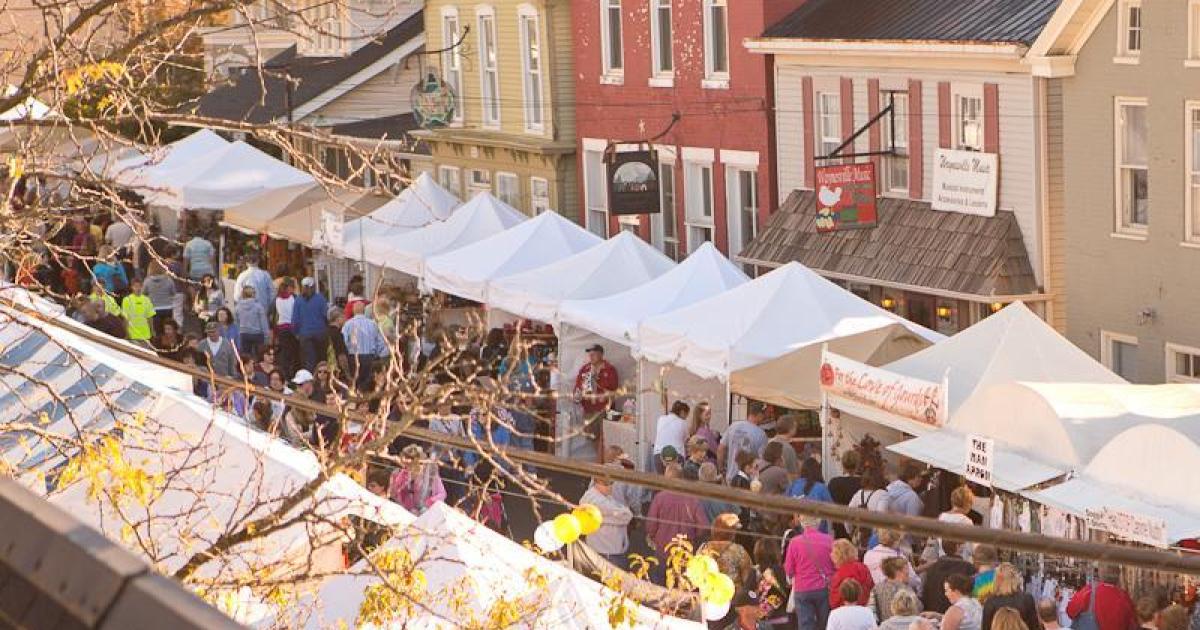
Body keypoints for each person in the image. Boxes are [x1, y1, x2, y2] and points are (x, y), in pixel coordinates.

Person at [645, 464, 708, 566]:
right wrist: (693, 536)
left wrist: (653, 537)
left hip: (663, 548)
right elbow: (703, 526)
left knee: (659, 579)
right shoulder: (693, 500)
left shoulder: (659, 498)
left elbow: (651, 525)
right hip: (685, 549)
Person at [784, 513, 834, 630]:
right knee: (825, 624)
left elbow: (789, 570)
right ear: (819, 521)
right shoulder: (829, 540)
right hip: (824, 588)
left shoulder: (795, 542)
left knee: (805, 625)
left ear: (802, 522)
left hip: (803, 589)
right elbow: (835, 564)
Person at [579, 475, 634, 569]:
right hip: (608, 551)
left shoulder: (598, 496)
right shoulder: (598, 501)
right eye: (608, 484)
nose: (611, 487)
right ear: (598, 482)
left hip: (599, 546)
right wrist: (625, 510)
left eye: (612, 483)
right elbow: (627, 516)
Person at [573, 343, 618, 451]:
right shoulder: (585, 369)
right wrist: (577, 394)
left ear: (601, 355)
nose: (591, 356)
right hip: (589, 410)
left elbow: (614, 391)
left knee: (605, 439)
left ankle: (602, 464)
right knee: (593, 438)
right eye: (590, 354)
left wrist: (596, 381)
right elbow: (577, 388)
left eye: (594, 354)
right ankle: (599, 464)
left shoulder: (610, 369)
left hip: (604, 410)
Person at [1066, 566, 1136, 630]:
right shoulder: (1125, 597)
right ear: (1118, 574)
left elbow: (1070, 611)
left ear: (1100, 572)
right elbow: (1133, 625)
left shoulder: (1089, 591)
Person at [923, 485, 977, 564]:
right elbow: (971, 548)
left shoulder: (941, 517)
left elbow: (935, 542)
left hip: (942, 560)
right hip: (962, 562)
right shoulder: (966, 521)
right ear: (967, 504)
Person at [343, 301, 389, 391]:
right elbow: (380, 341)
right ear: (364, 310)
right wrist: (380, 356)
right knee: (368, 383)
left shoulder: (348, 324)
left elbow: (344, 341)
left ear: (353, 311)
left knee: (355, 382)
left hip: (353, 357)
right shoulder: (373, 324)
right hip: (369, 357)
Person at [388, 444, 446, 515]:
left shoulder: (431, 474)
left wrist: (426, 505)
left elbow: (441, 494)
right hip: (405, 512)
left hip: (425, 512)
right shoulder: (402, 473)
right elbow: (394, 494)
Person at [698, 513, 754, 586]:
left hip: (708, 594)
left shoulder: (703, 548)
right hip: (733, 595)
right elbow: (748, 580)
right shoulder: (739, 551)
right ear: (732, 532)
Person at [720, 401, 769, 482]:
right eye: (763, 415)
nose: (764, 418)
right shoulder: (761, 435)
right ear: (759, 415)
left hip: (730, 477)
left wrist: (721, 470)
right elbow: (761, 460)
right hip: (747, 479)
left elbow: (720, 449)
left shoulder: (733, 426)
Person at [923, 539, 976, 614]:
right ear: (957, 547)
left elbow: (925, 592)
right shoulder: (968, 568)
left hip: (932, 612)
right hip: (957, 613)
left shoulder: (932, 568)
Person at [982, 564, 1041, 630]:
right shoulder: (1027, 599)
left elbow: (985, 627)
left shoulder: (990, 602)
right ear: (1015, 578)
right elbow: (1034, 626)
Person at [750, 539, 793, 630]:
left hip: (760, 620)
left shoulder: (754, 572)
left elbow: (748, 594)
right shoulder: (783, 571)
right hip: (781, 619)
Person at [848, 468, 890, 550]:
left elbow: (847, 516)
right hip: (875, 540)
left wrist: (850, 532)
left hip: (858, 538)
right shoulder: (883, 494)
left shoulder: (859, 493)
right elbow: (880, 518)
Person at [294, 277, 329, 372]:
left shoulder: (298, 300)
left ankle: (310, 380)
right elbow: (326, 315)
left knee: (308, 360)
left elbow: (295, 319)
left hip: (305, 334)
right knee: (321, 359)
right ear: (313, 286)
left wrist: (296, 333)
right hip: (320, 333)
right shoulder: (320, 299)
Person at [869, 557, 917, 622]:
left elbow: (872, 612)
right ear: (898, 572)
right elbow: (916, 610)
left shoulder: (876, 588)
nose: (909, 572)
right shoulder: (906, 590)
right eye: (906, 569)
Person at [828, 450, 863, 540]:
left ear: (842, 464)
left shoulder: (834, 483)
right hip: (859, 526)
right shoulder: (863, 483)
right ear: (857, 465)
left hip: (839, 525)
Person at [830, 538, 873, 609]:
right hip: (864, 607)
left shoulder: (840, 574)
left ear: (839, 555)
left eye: (833, 552)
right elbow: (871, 586)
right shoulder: (863, 567)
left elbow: (835, 601)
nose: (831, 555)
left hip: (845, 610)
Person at [652, 400, 690, 473]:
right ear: (682, 412)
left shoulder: (661, 419)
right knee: (675, 481)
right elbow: (687, 441)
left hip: (658, 455)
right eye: (686, 415)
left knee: (661, 482)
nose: (686, 418)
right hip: (676, 455)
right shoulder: (683, 423)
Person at [235, 285, 270, 358]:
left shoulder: (238, 307)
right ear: (253, 294)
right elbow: (263, 322)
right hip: (257, 334)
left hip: (244, 334)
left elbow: (237, 322)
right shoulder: (258, 306)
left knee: (246, 357)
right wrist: (266, 336)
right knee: (259, 356)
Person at [273, 277, 298, 377]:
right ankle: (291, 374)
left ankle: (285, 372)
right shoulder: (293, 298)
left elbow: (275, 315)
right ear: (290, 288)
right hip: (291, 327)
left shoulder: (277, 299)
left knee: (284, 352)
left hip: (281, 328)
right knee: (293, 352)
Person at [143, 262, 176, 334]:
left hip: (154, 308)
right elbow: (173, 292)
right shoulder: (169, 280)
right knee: (168, 329)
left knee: (157, 330)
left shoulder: (147, 281)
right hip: (168, 308)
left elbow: (143, 293)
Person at [120, 277, 155, 345]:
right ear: (132, 287)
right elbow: (125, 318)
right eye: (136, 286)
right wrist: (126, 333)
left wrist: (152, 331)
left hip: (145, 335)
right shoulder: (127, 300)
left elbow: (150, 317)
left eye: (140, 286)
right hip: (133, 336)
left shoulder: (147, 300)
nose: (138, 288)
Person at [327, 307, 351, 376]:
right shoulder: (338, 335)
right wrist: (347, 374)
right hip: (337, 371)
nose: (345, 320)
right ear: (338, 319)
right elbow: (341, 355)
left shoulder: (325, 333)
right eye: (344, 317)